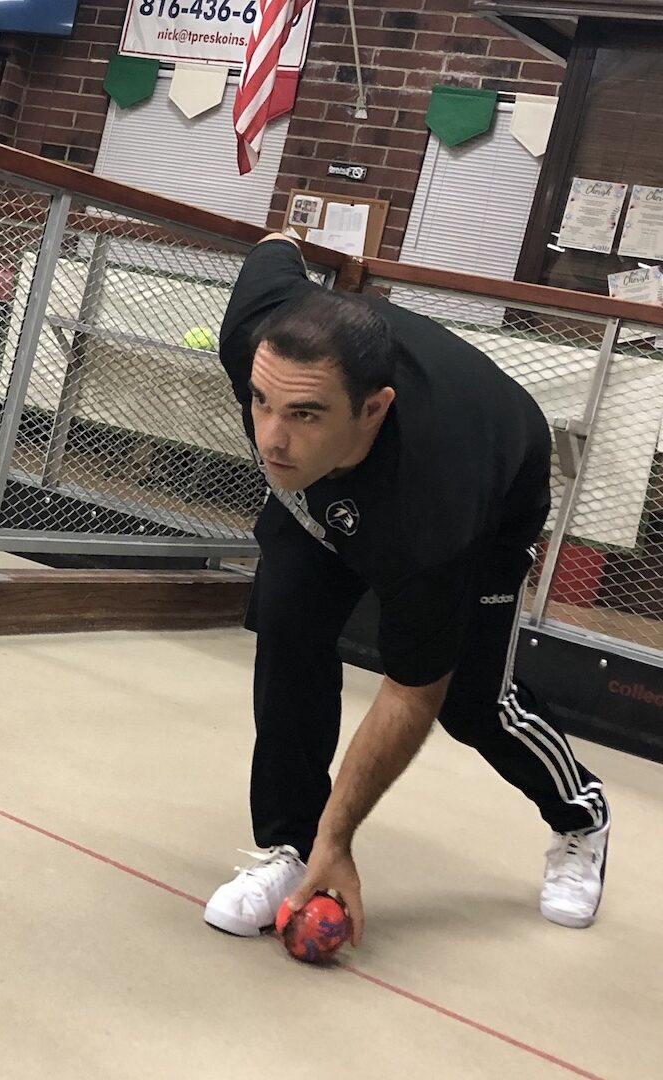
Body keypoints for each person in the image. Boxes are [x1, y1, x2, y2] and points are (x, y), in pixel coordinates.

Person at [202, 233, 611, 946]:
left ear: (373, 408)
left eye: (303, 414)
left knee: (471, 701)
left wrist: (342, 838)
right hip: (321, 491)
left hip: (492, 500)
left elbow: (410, 693)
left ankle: (581, 815)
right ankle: (289, 847)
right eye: (261, 403)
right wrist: (296, 235)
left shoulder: (437, 512)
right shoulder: (256, 334)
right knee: (289, 637)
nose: (269, 438)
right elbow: (275, 246)